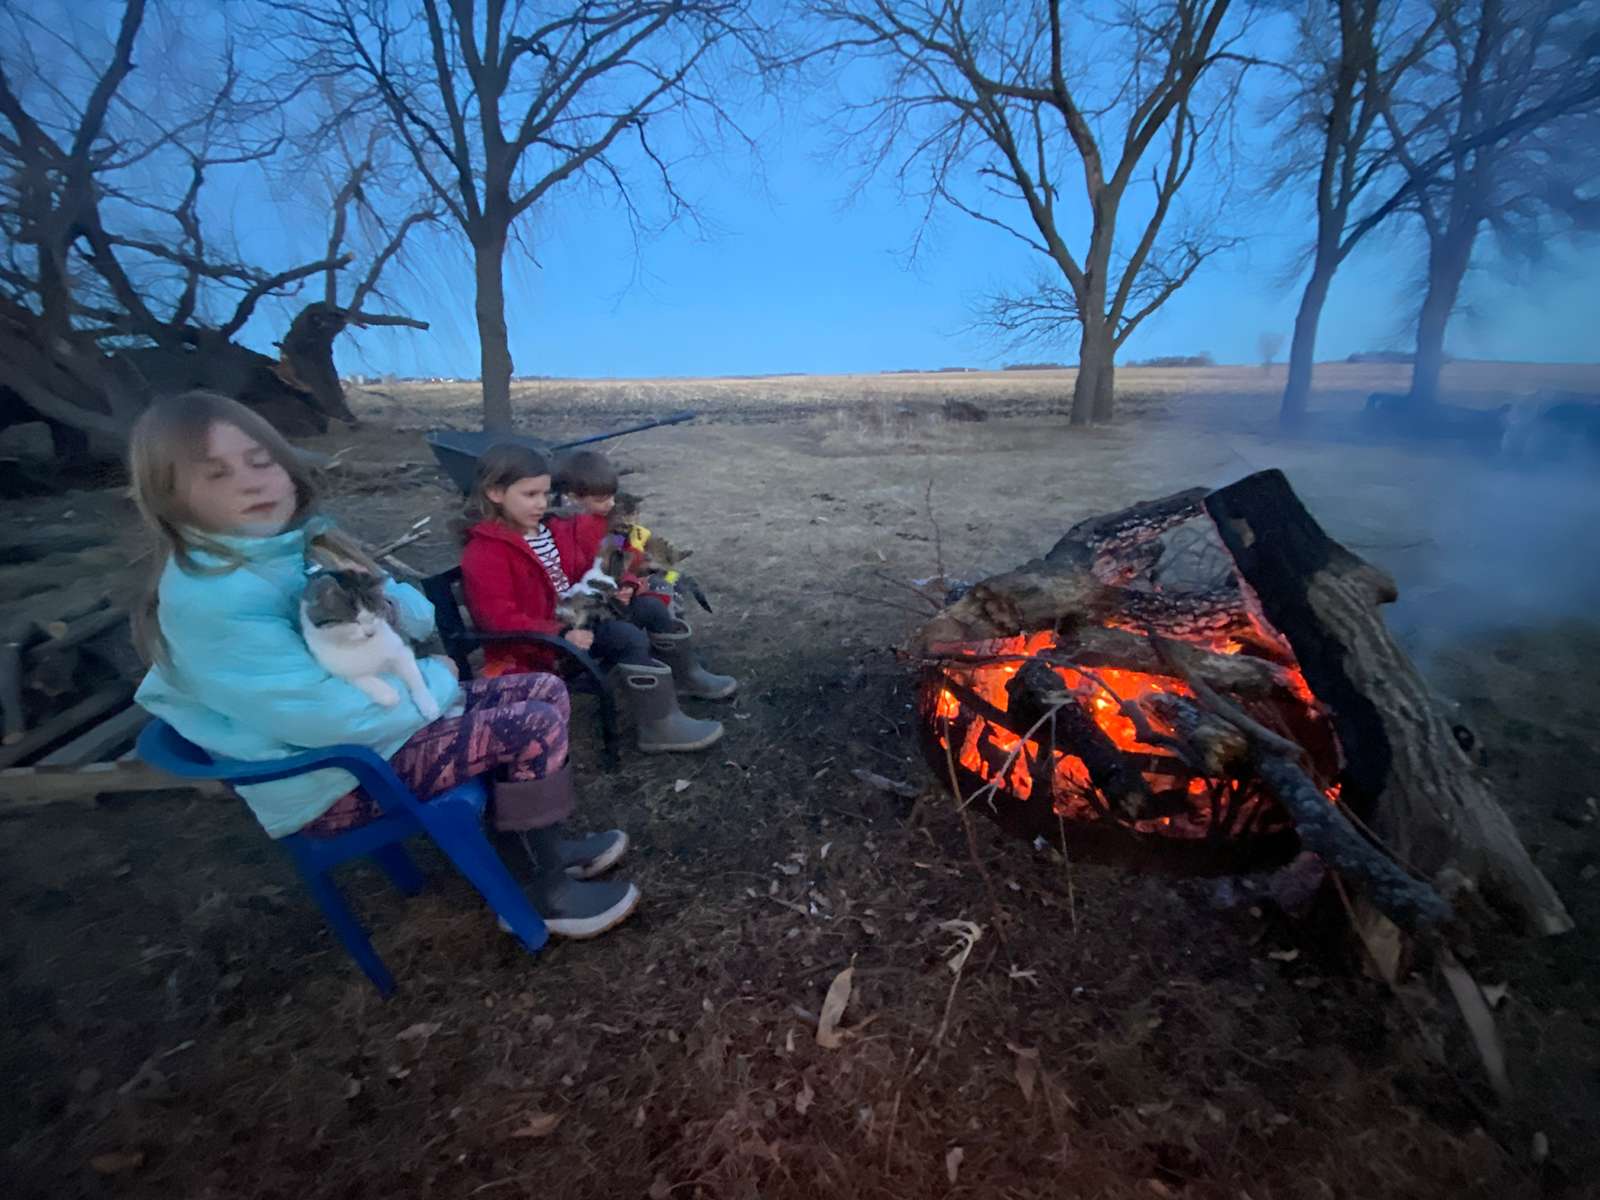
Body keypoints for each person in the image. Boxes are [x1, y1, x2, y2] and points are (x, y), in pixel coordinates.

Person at [129, 390, 638, 939]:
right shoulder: (212, 600)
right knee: (528, 724)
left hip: (375, 731)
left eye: (261, 461)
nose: (252, 483)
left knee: (542, 688)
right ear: (169, 497)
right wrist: (441, 683)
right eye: (216, 475)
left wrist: (369, 579)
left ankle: (546, 848)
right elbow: (328, 720)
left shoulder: (297, 547)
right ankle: (544, 895)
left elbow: (418, 620)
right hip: (328, 776)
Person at [459, 444, 732, 754]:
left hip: (580, 615)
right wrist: (561, 634)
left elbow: (604, 559)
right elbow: (499, 619)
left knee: (650, 607)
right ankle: (659, 726)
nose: (541, 503)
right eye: (530, 495)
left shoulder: (551, 530)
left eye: (545, 494)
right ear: (495, 493)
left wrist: (624, 583)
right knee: (624, 636)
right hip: (541, 647)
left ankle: (685, 677)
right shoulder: (485, 554)